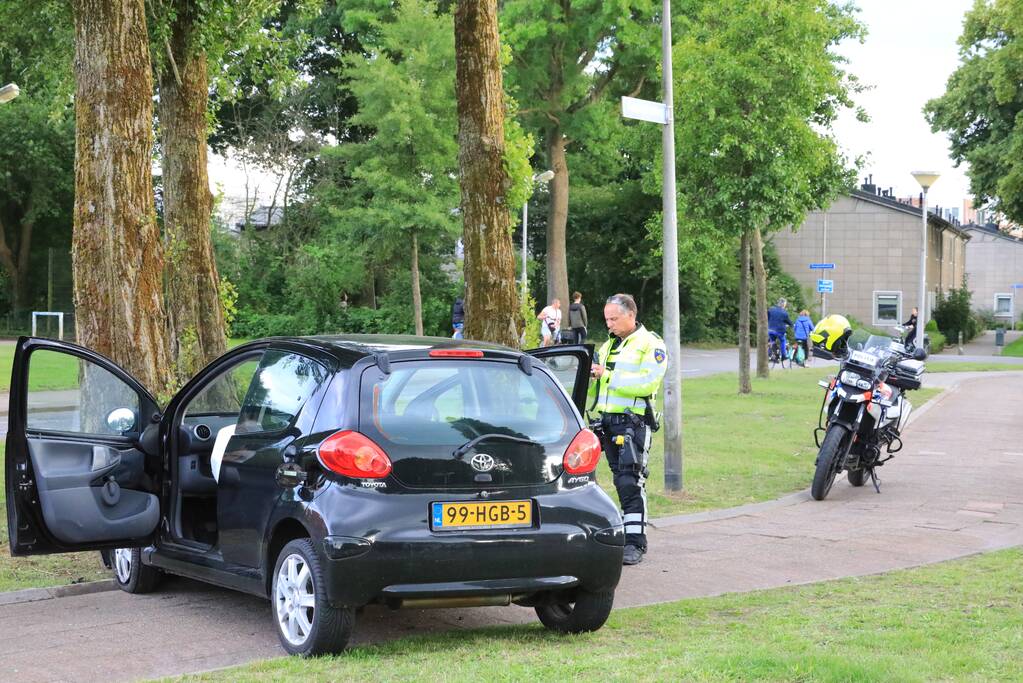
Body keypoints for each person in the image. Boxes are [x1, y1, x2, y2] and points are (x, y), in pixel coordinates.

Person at [587, 293, 667, 566]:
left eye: (614, 318)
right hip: (607, 421)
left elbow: (647, 383)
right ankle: (620, 535)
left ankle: (635, 543)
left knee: (629, 482)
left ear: (631, 315)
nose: (609, 324)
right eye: (606, 318)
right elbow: (597, 388)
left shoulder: (651, 344)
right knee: (609, 480)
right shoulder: (609, 345)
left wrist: (606, 375)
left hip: (634, 424)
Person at [767, 298, 793, 363]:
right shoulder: (784, 313)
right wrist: (792, 326)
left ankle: (770, 355)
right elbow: (789, 322)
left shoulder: (771, 309)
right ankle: (784, 355)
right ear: (783, 304)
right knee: (783, 340)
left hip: (770, 329)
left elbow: (767, 317)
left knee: (772, 341)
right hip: (779, 331)